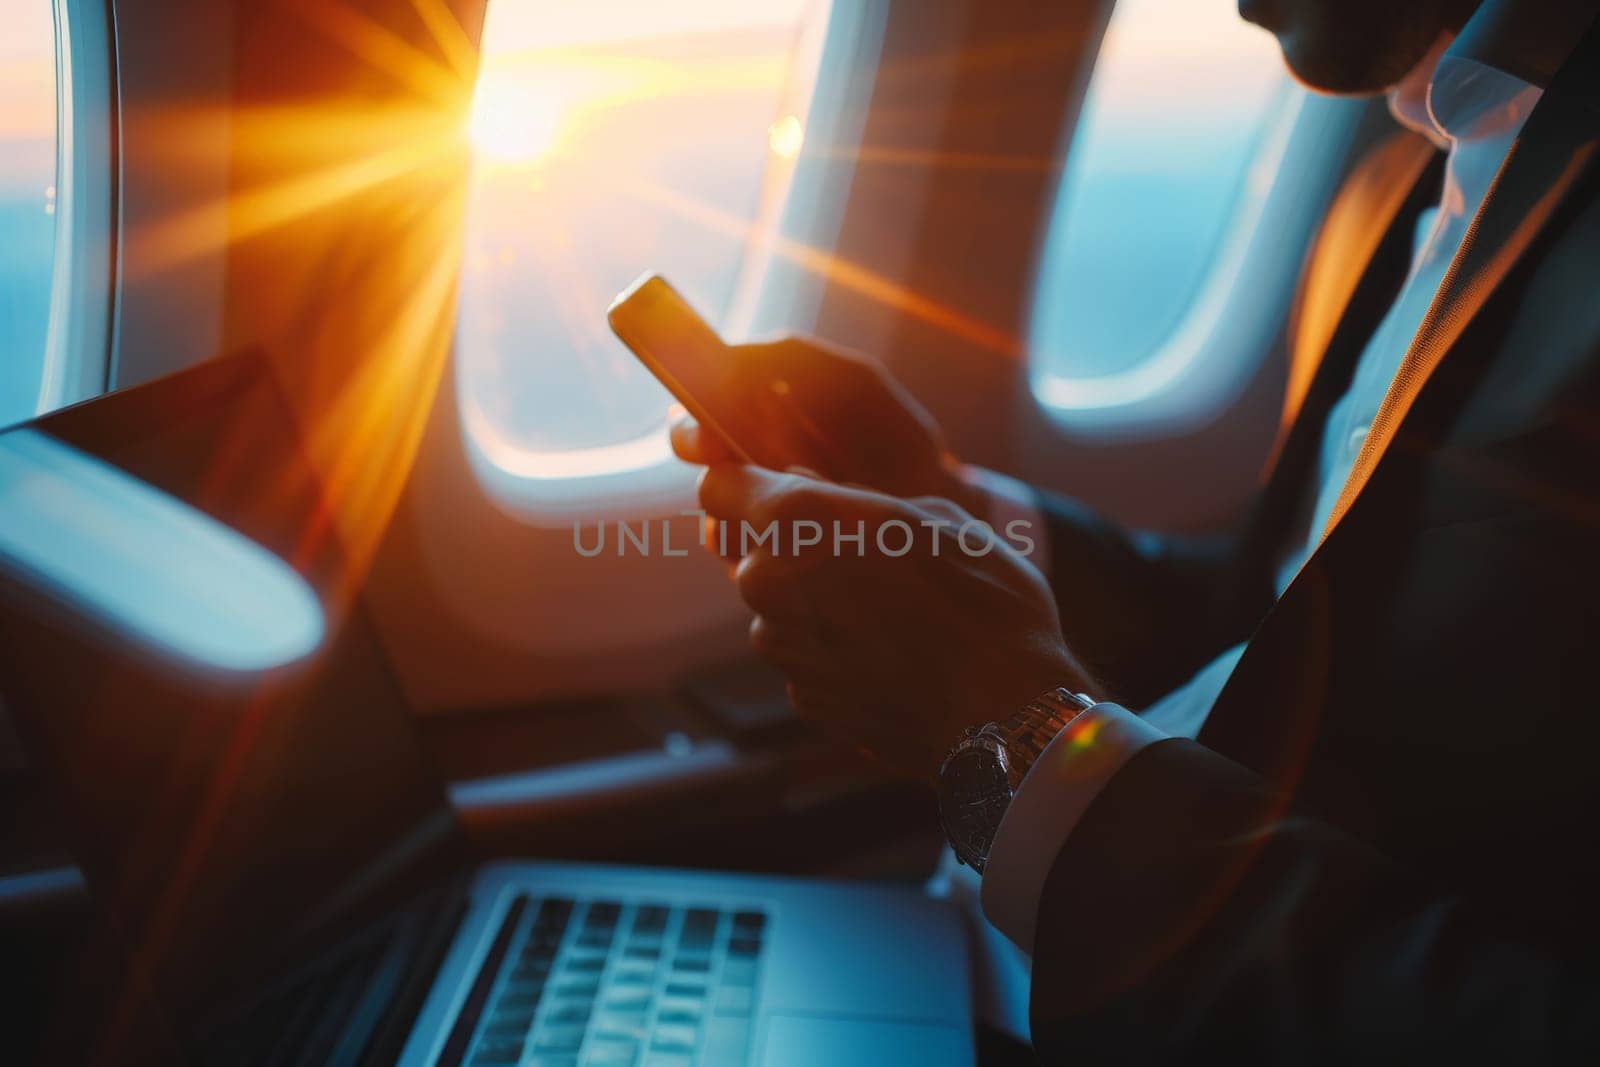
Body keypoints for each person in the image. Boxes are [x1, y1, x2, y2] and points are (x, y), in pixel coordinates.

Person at [670, 0, 1600, 1059]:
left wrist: (1015, 750)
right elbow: (1283, 638)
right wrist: (962, 510)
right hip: (987, 963)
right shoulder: (1411, 174)